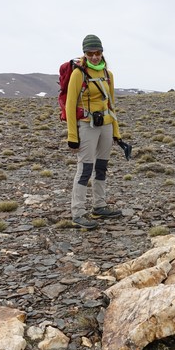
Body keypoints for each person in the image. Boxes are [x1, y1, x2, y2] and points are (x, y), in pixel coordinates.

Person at [65, 34, 124, 230]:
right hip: (86, 125)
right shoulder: (78, 74)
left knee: (101, 167)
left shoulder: (108, 74)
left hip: (106, 124)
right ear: (84, 53)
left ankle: (99, 206)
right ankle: (78, 212)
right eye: (90, 53)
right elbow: (70, 105)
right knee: (85, 169)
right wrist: (72, 136)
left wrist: (117, 132)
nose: (94, 57)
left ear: (102, 52)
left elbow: (112, 104)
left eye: (97, 52)